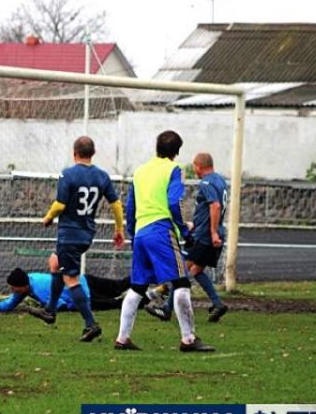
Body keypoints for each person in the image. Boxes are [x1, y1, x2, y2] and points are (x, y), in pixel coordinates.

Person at [115, 130, 215, 352]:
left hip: (141, 232)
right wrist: (184, 231)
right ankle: (188, 339)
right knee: (181, 282)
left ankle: (122, 338)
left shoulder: (140, 171)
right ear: (177, 151)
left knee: (138, 286)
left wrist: (133, 233)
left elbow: (130, 206)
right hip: (161, 230)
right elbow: (173, 203)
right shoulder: (173, 169)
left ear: (157, 147)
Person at [28, 136, 125, 342]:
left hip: (69, 234)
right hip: (86, 233)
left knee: (70, 278)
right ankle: (50, 311)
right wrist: (119, 229)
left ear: (74, 153)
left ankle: (90, 324)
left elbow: (60, 205)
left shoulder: (68, 174)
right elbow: (116, 204)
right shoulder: (102, 176)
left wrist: (48, 218)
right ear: (93, 153)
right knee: (55, 263)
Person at [144, 152, 229, 322]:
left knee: (180, 270)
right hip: (213, 233)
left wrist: (211, 232)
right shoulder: (220, 180)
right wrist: (198, 224)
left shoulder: (206, 183)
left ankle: (166, 309)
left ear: (198, 166)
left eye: (194, 166)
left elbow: (215, 206)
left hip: (204, 236)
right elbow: (212, 207)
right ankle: (217, 303)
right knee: (196, 270)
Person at [0, 255, 135, 313]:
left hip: (84, 295)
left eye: (14, 288)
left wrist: (45, 309)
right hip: (84, 280)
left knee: (115, 303)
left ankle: (143, 298)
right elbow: (12, 301)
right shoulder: (29, 280)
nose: (13, 291)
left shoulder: (40, 290)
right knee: (118, 287)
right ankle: (143, 276)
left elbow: (61, 305)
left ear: (22, 286)